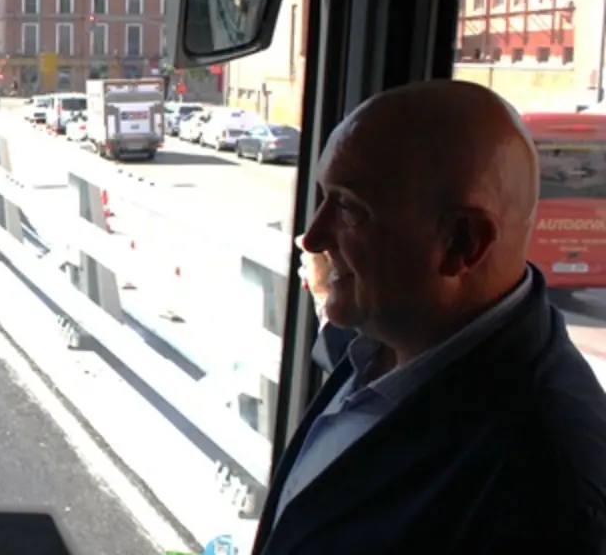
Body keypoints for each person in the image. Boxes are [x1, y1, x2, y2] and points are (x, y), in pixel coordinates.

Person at [252, 80, 606, 554]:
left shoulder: (549, 491)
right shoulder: (401, 332)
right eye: (323, 197)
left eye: (350, 209)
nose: (314, 237)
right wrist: (334, 296)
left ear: (463, 243)